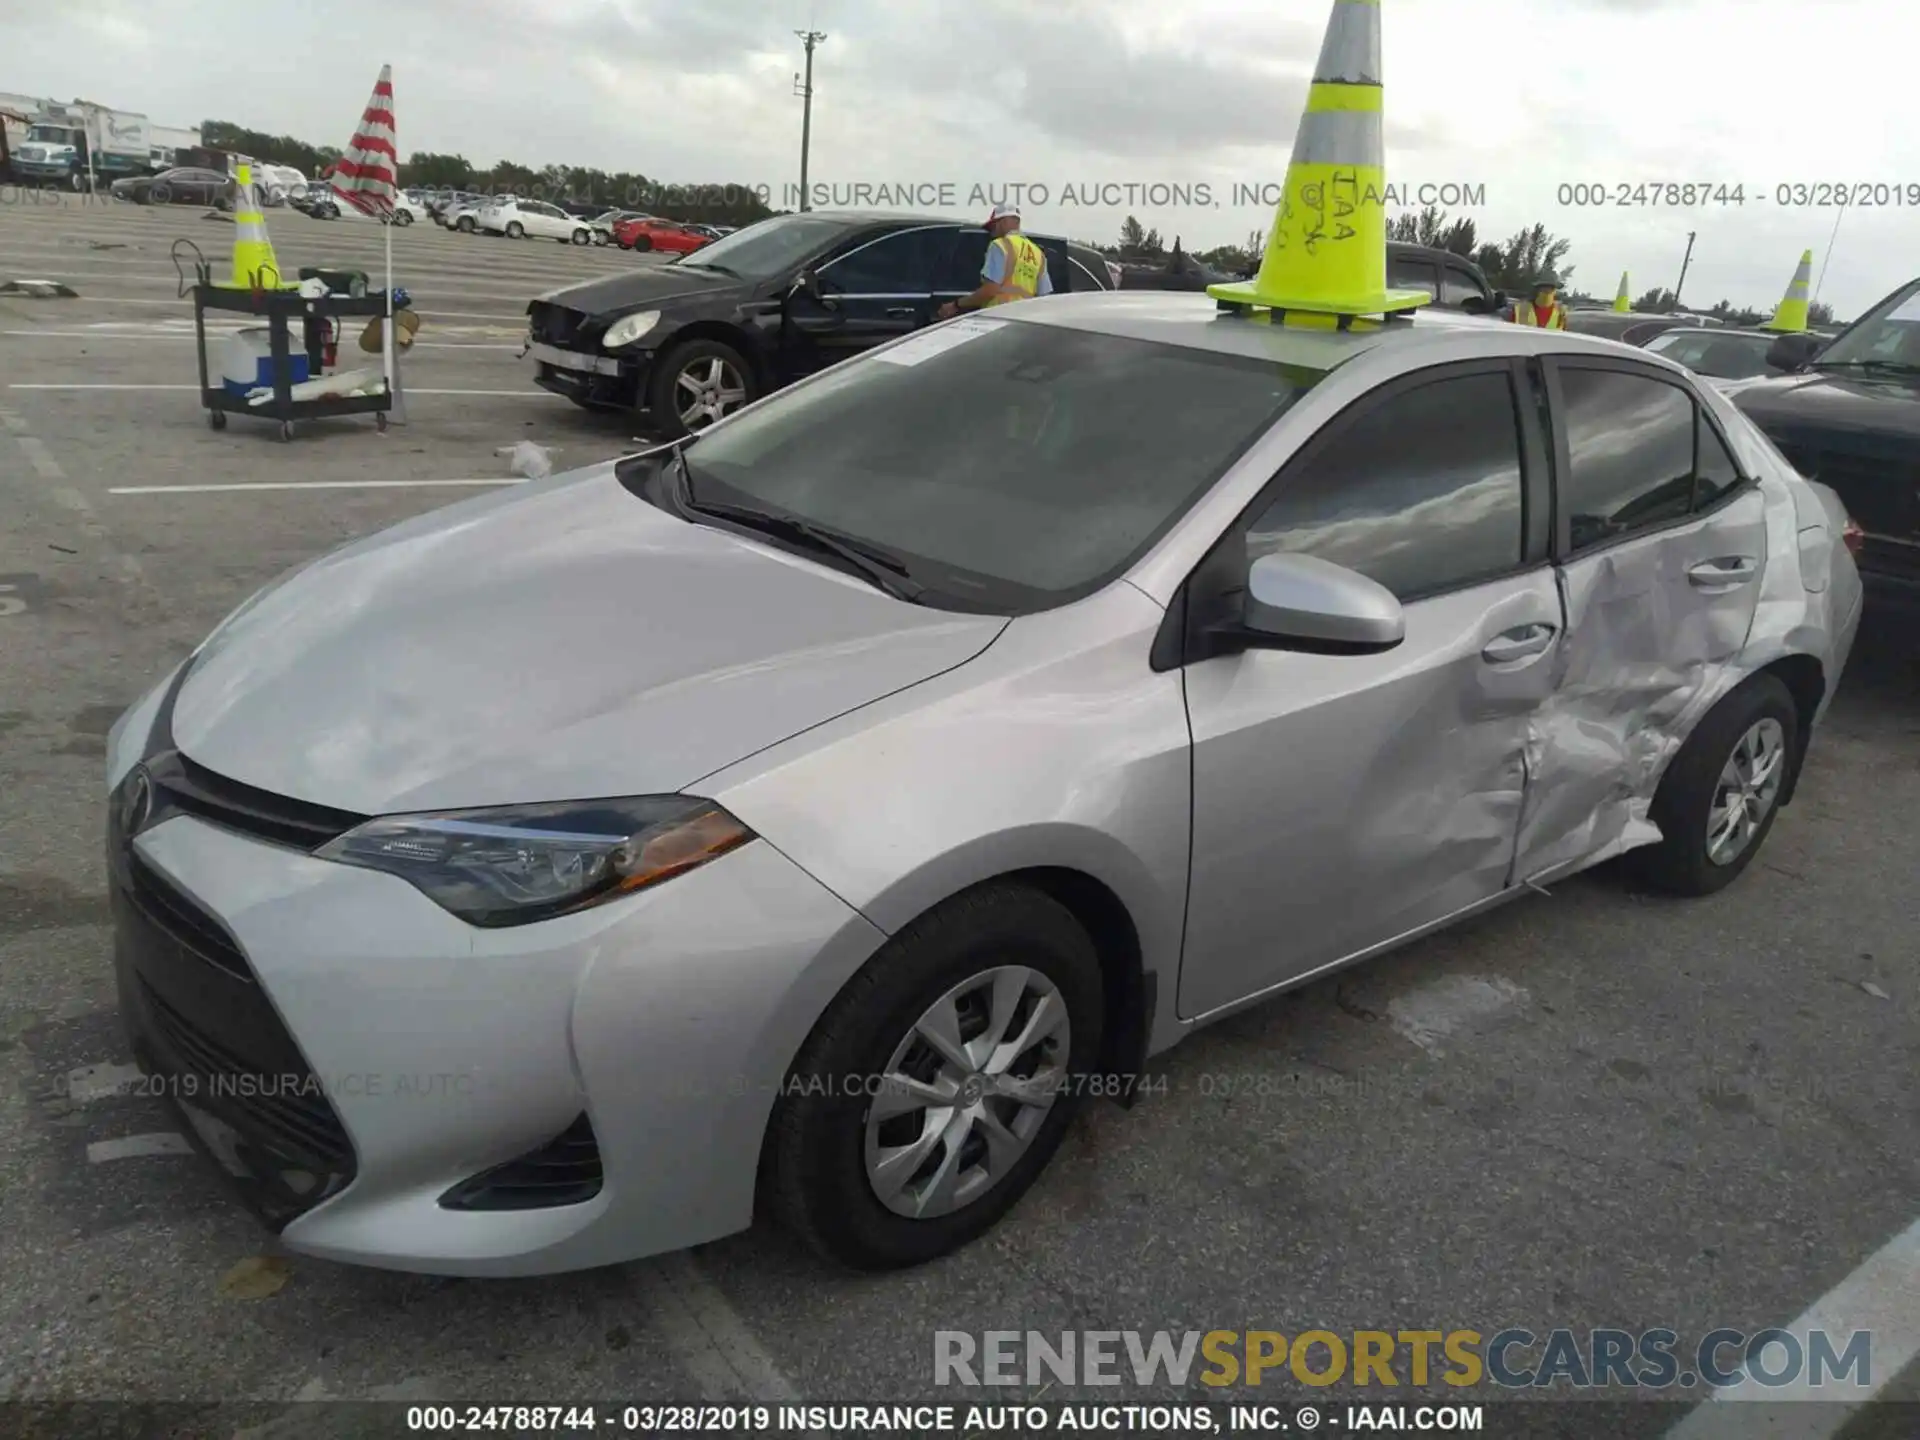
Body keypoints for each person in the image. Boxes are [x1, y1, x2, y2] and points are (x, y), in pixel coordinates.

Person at [936, 202, 1051, 319]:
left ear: (1003, 222)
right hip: (1023, 322)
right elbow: (1044, 299)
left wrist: (955, 305)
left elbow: (990, 291)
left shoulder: (1000, 245)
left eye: (993, 226)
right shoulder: (1038, 254)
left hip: (999, 318)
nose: (992, 232)